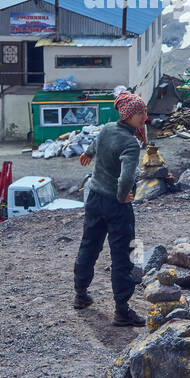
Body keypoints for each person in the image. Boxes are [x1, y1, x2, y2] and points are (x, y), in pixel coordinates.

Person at [72, 90, 148, 327]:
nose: (145, 117)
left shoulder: (107, 129)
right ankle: (122, 310)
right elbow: (126, 178)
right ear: (128, 114)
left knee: (89, 245)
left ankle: (80, 294)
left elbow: (96, 143)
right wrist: (123, 195)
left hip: (94, 198)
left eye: (144, 112)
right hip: (116, 205)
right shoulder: (130, 144)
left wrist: (88, 153)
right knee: (123, 254)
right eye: (140, 113)